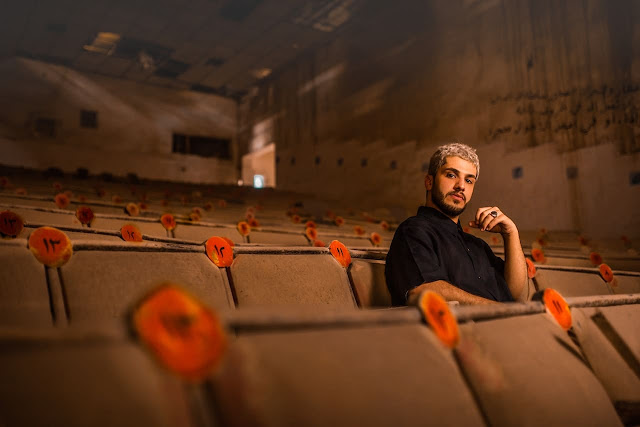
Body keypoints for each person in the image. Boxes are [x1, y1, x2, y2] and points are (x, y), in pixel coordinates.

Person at [385, 143, 529, 305]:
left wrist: (511, 233)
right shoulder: (413, 231)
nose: (461, 186)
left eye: (469, 180)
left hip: (503, 326)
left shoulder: (477, 245)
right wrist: (501, 310)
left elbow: (513, 292)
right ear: (429, 182)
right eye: (451, 175)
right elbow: (423, 291)